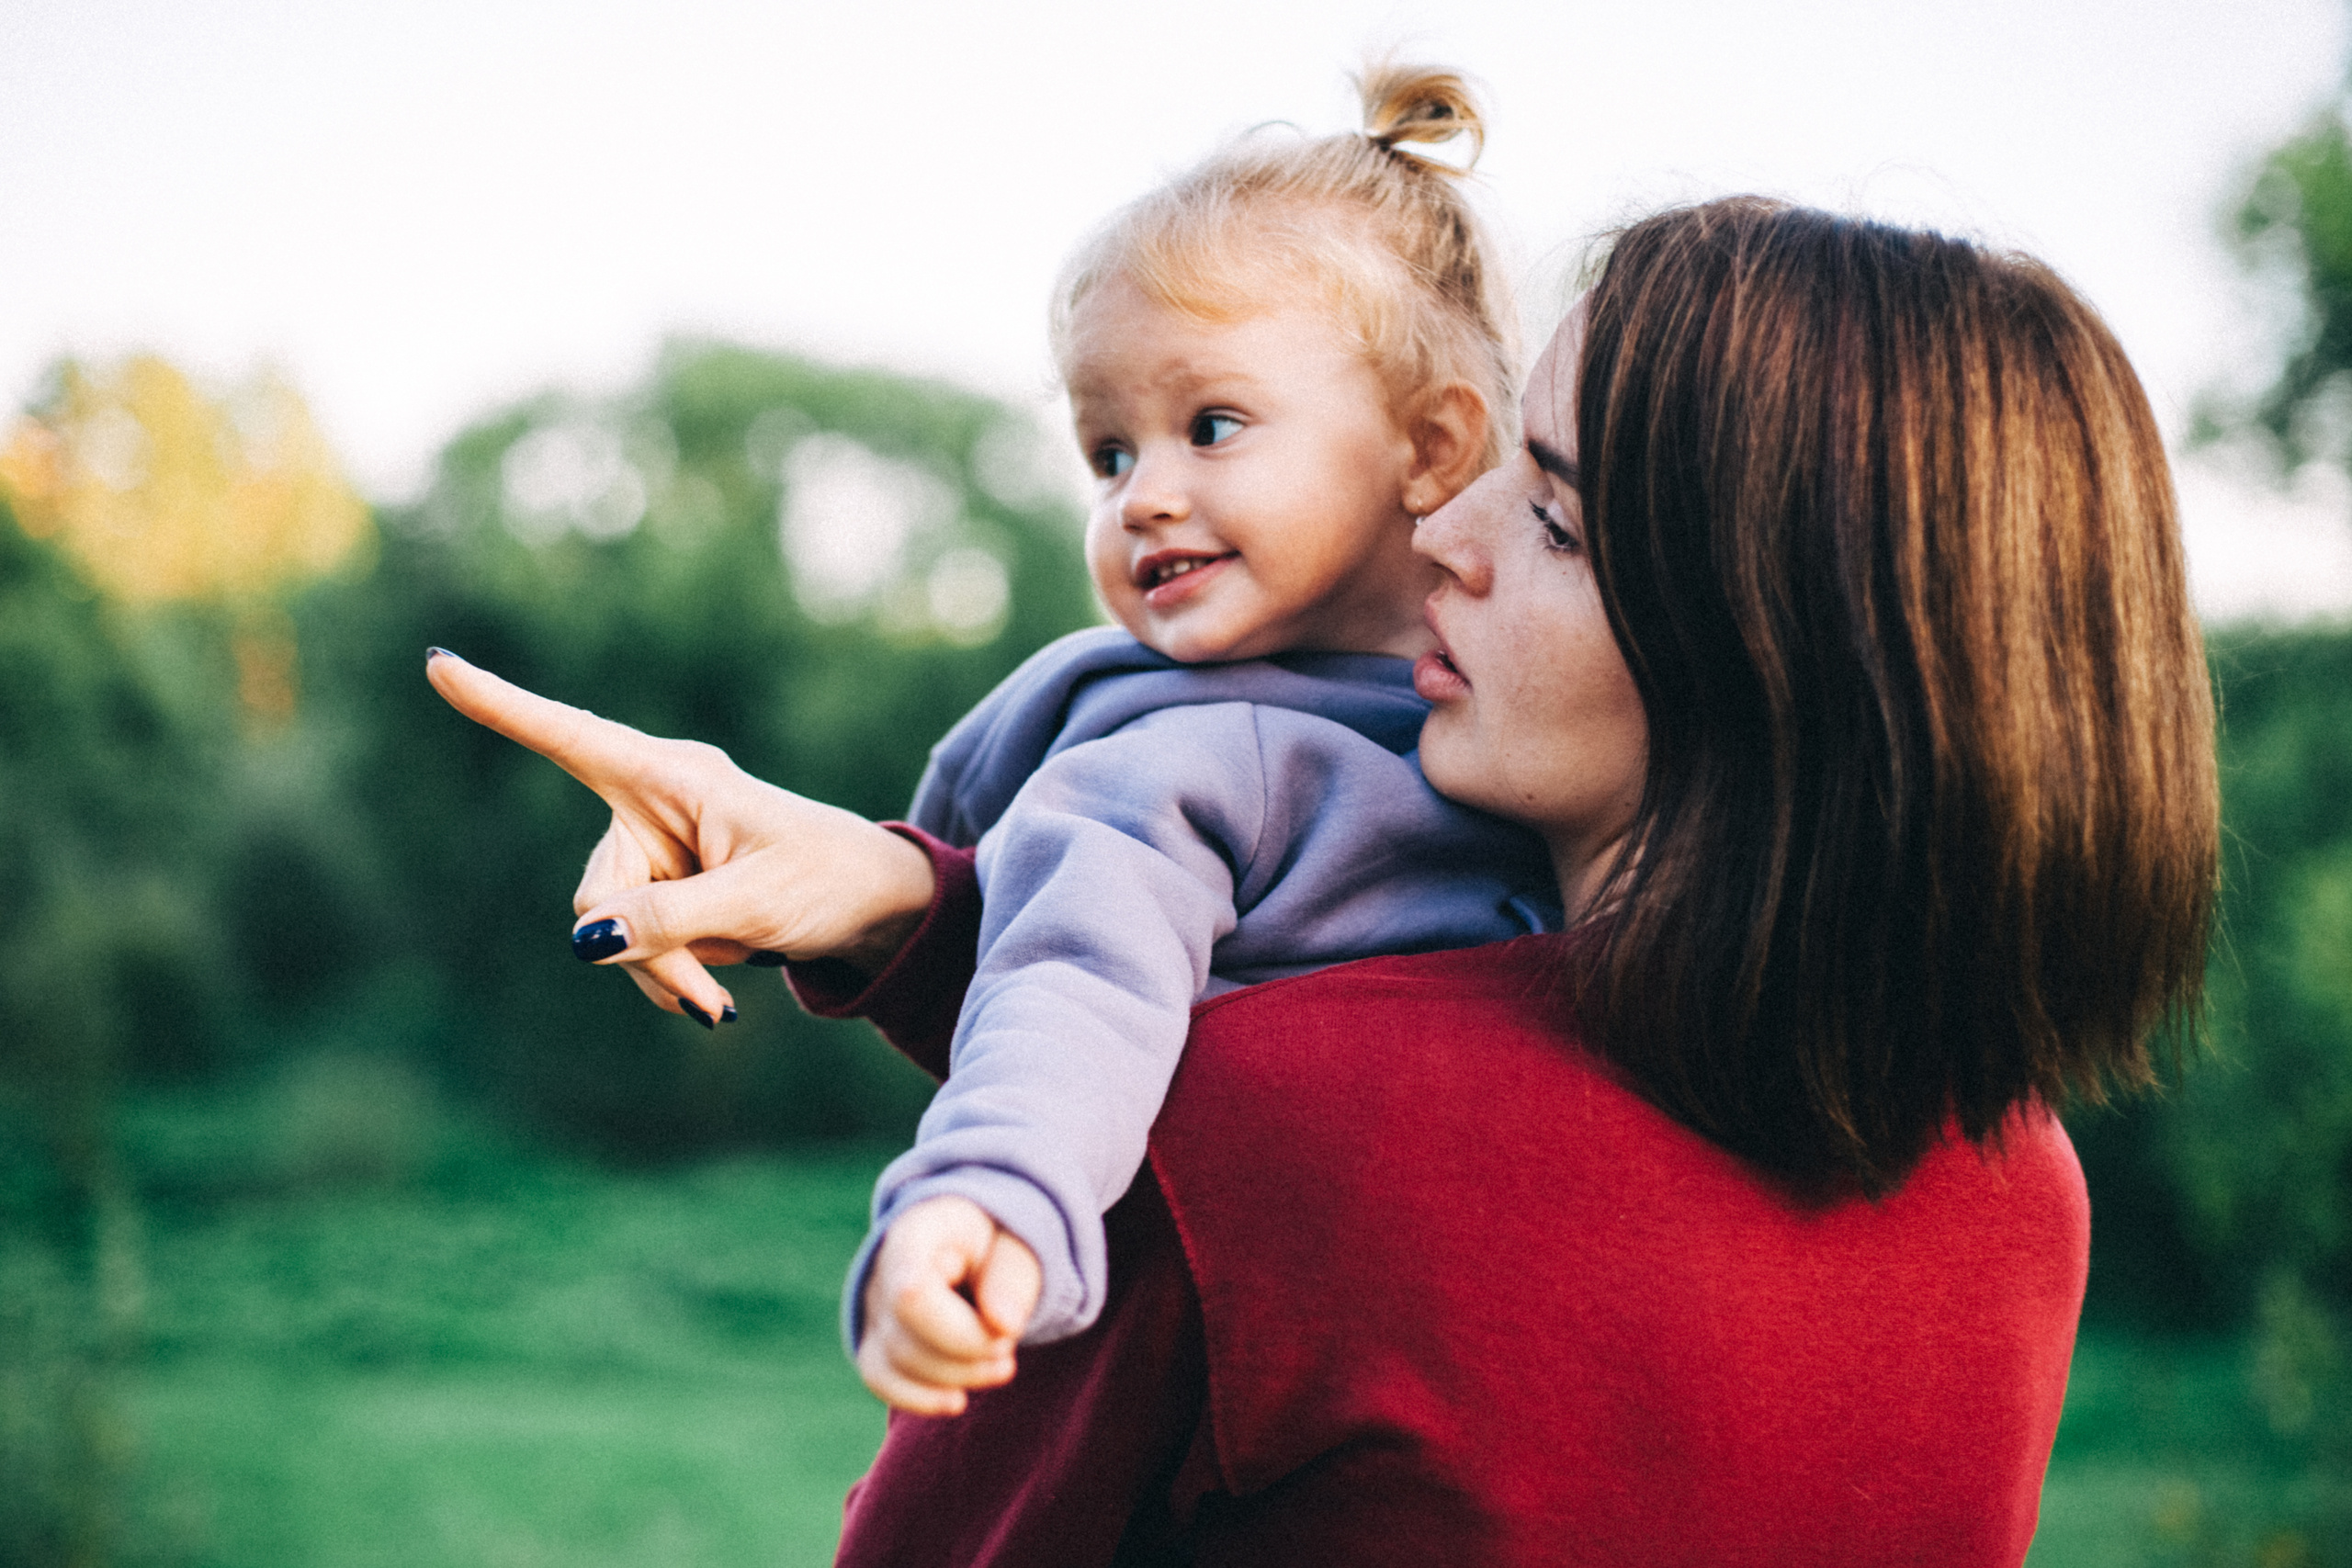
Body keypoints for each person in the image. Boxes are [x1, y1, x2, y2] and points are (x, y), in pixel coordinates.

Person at [429, 196, 2218, 1562]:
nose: (1438, 533)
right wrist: (913, 896)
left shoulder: (1263, 1132)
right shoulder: (2015, 1180)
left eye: (1553, 515)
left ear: (1782, 649)